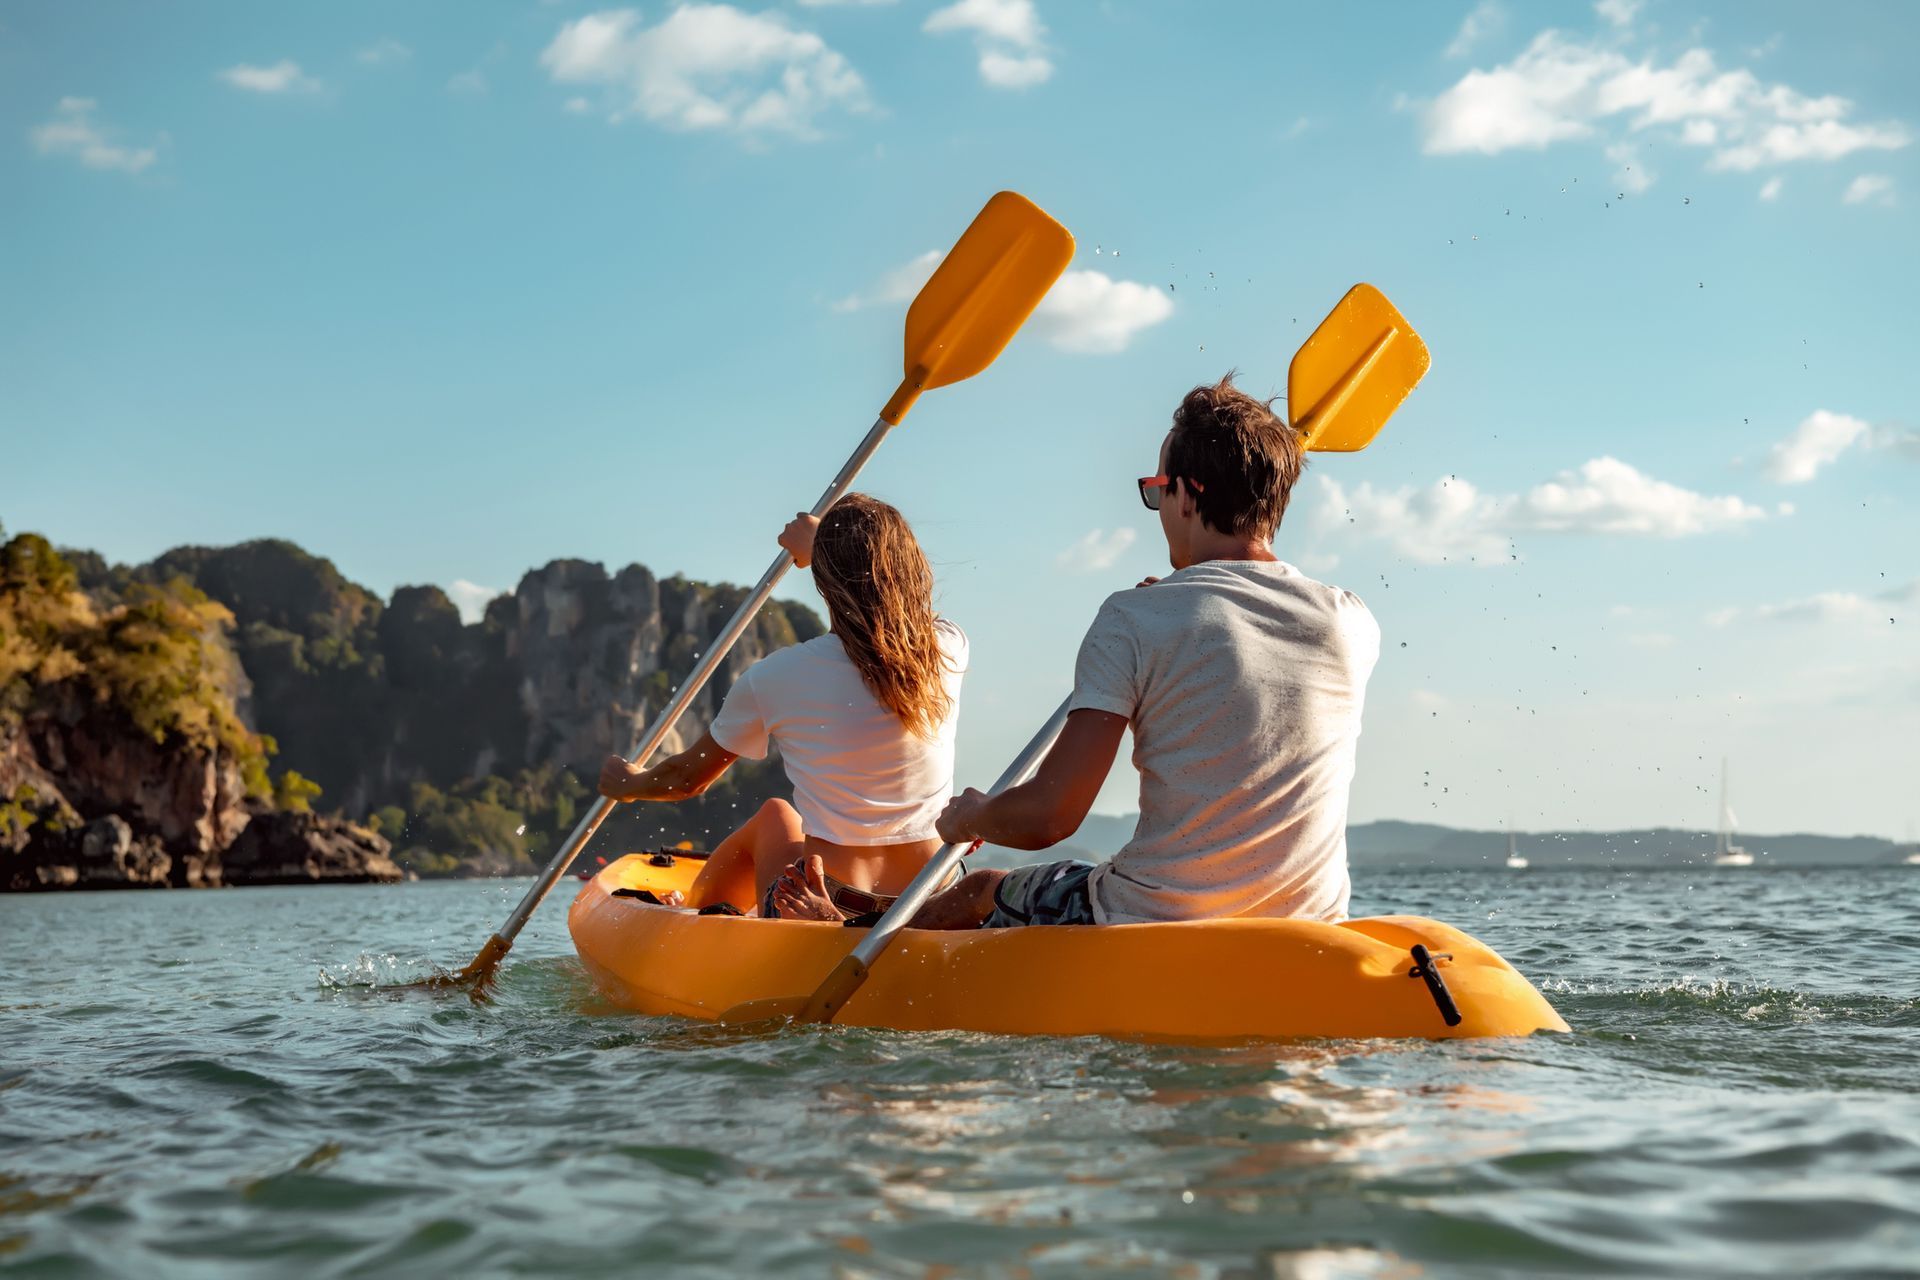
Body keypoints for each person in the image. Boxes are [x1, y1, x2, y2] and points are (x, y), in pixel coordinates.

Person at [907, 373, 1379, 931]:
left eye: (1156, 489)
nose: (1157, 506)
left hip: (1149, 915)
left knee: (983, 889)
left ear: (1186, 494)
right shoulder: (1350, 620)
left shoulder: (1132, 619)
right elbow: (1240, 656)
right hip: (1307, 923)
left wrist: (973, 816)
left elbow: (1050, 816)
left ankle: (851, 943)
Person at [597, 493, 967, 919]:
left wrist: (629, 785)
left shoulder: (774, 677)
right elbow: (887, 610)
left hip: (826, 901)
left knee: (775, 815)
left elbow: (686, 780)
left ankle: (695, 922)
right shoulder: (948, 648)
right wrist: (824, 551)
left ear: (827, 577)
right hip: (935, 895)